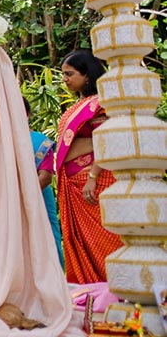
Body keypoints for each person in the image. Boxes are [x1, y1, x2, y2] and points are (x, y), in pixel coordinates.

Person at [57, 49, 122, 283]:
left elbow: (107, 139)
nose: (64, 79)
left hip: (94, 180)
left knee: (104, 240)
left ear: (87, 75)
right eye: (63, 74)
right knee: (85, 242)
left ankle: (115, 290)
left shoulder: (100, 104)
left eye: (69, 74)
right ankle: (91, 292)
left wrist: (93, 176)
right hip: (74, 182)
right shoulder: (82, 105)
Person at [24, 98, 64, 269]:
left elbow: (45, 176)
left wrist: (23, 197)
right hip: (11, 203)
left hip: (37, 198)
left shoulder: (39, 141)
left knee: (46, 239)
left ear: (26, 115)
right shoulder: (1, 143)